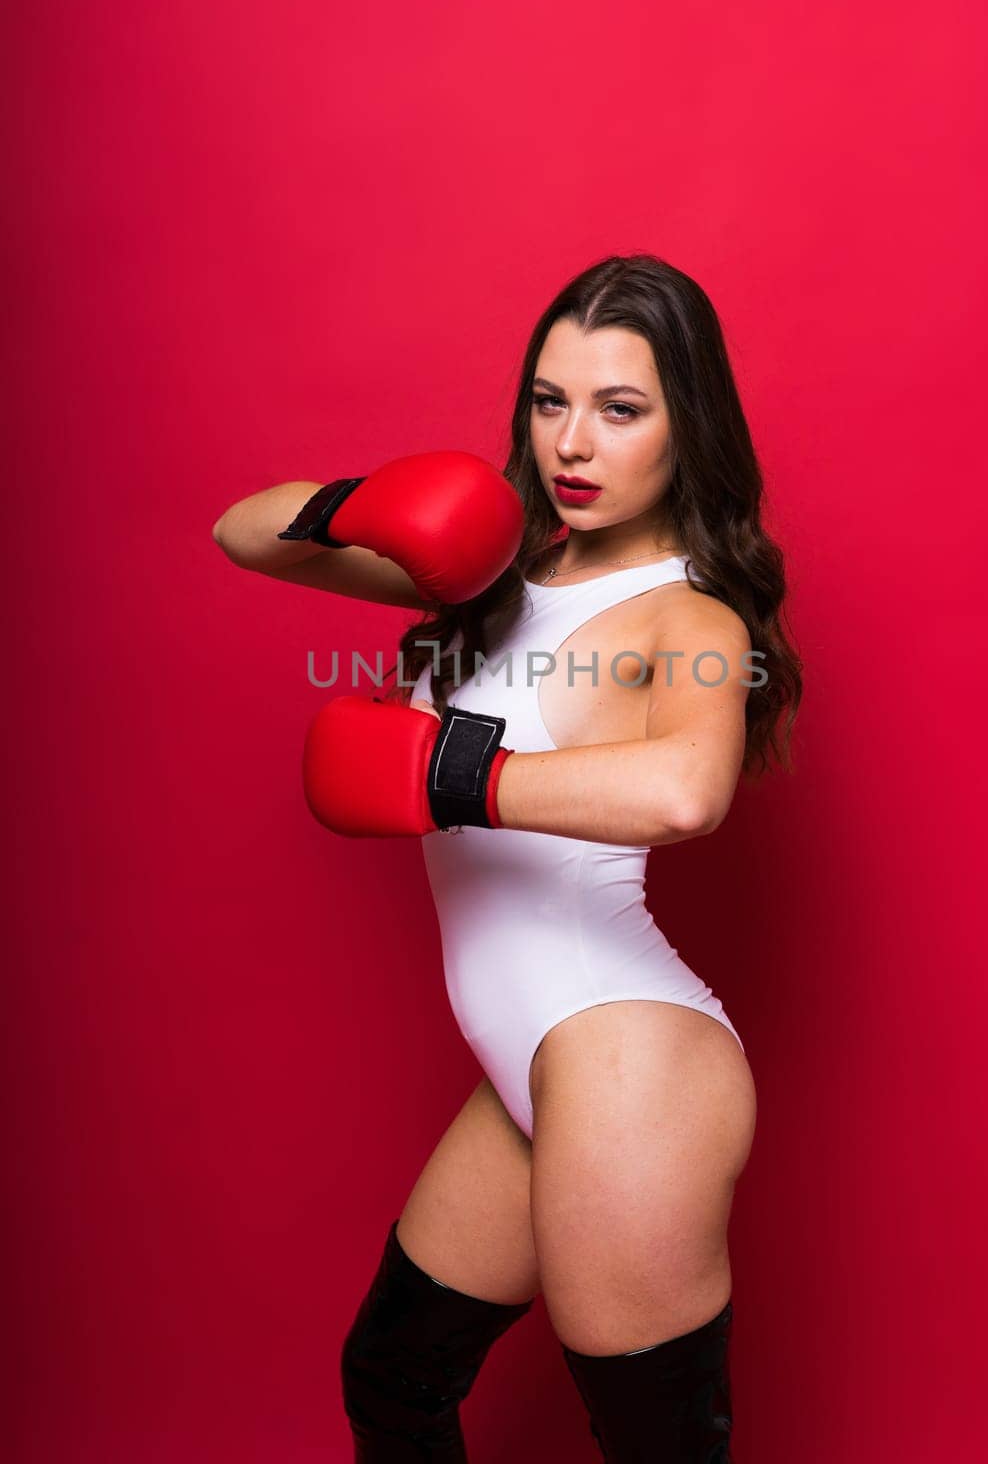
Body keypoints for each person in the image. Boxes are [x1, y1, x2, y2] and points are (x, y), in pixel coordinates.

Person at [212, 253, 803, 1461]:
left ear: (688, 427)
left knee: (652, 1444)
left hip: (629, 1059)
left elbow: (685, 791)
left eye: (619, 408)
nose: (571, 443)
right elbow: (241, 533)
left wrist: (448, 779)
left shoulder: (684, 613)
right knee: (394, 1377)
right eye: (548, 401)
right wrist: (377, 500)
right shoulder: (483, 572)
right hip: (537, 1062)